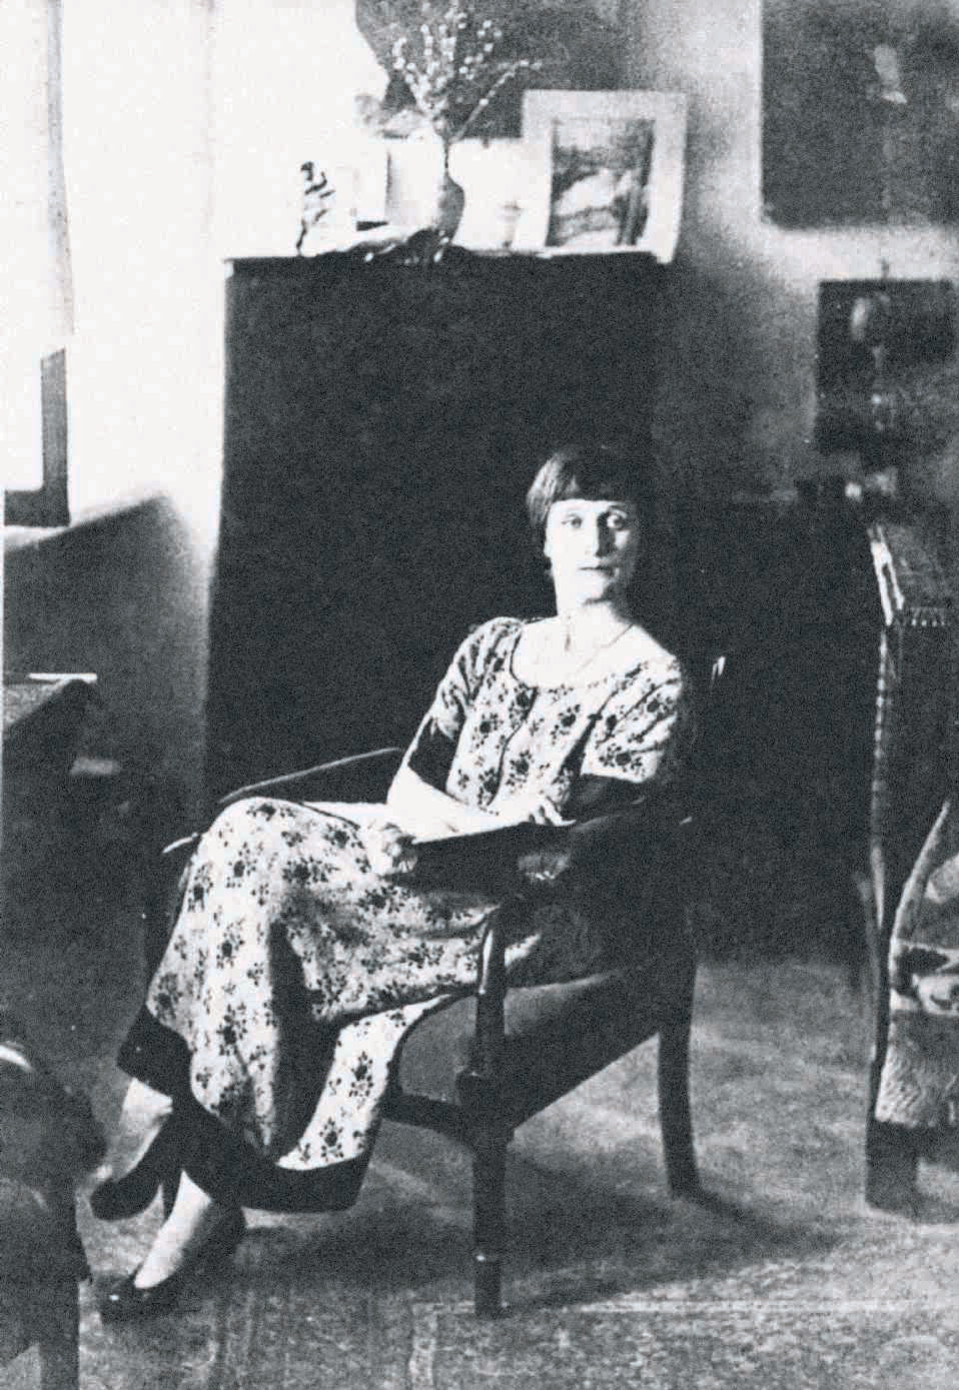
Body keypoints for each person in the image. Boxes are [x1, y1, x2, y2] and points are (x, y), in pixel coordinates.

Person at [93, 441, 696, 1321]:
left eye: (616, 521)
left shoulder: (652, 679)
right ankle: (186, 1169)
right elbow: (414, 780)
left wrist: (441, 839)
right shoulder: (494, 645)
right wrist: (421, 835)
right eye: (573, 521)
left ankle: (162, 1113)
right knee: (243, 831)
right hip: (423, 866)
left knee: (261, 875)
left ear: (640, 540)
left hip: (524, 910)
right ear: (543, 540)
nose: (595, 540)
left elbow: (556, 847)